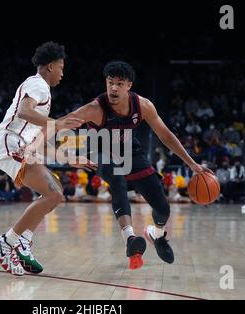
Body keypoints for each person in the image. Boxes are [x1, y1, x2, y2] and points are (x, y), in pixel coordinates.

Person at [63, 61, 212, 269]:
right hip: (100, 150)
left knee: (162, 207)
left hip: (130, 151)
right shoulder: (95, 108)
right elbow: (62, 125)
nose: (113, 88)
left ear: (129, 86)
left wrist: (192, 164)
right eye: (110, 83)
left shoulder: (143, 106)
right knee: (117, 178)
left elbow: (166, 135)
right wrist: (69, 154)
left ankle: (156, 234)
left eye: (119, 83)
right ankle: (130, 238)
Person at [0, 42, 91, 276]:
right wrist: (58, 123)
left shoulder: (40, 89)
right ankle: (7, 241)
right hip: (9, 143)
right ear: (49, 66)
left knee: (54, 192)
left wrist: (70, 158)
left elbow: (40, 142)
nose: (63, 73)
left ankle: (22, 239)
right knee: (54, 193)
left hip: (19, 144)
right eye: (61, 67)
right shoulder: (38, 84)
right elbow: (24, 111)